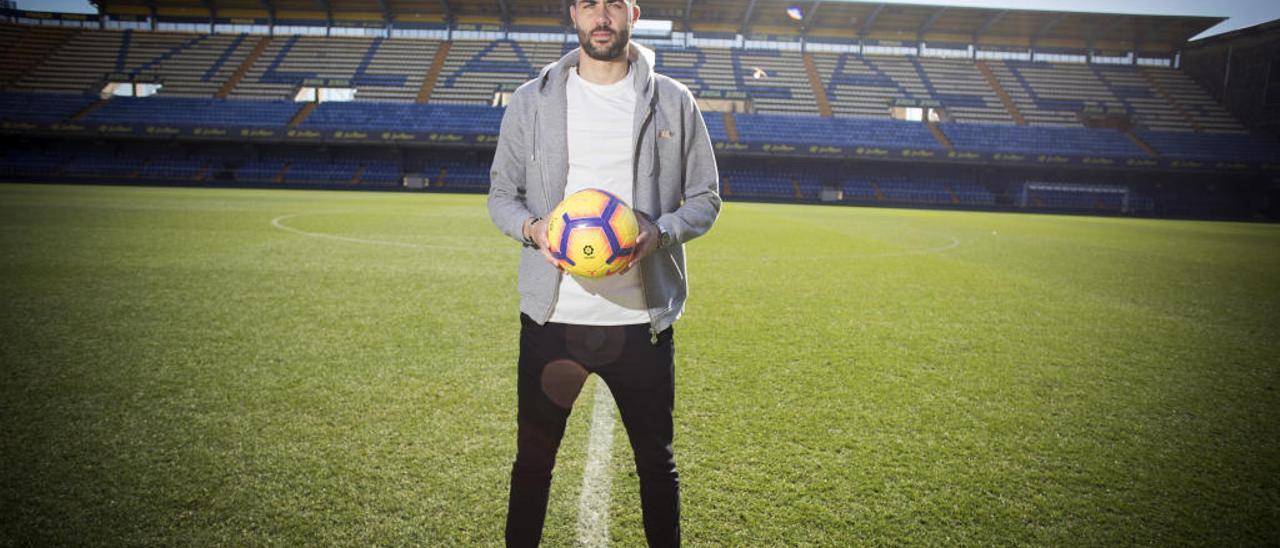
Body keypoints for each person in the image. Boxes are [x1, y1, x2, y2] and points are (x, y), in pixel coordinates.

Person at [486, 0, 721, 544]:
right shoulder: (531, 100)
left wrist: (660, 233)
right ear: (574, 13)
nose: (602, 15)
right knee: (532, 466)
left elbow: (706, 197)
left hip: (642, 321)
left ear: (633, 12)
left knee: (657, 467)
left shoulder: (673, 101)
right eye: (590, 3)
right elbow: (501, 196)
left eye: (614, 2)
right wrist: (533, 229)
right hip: (553, 320)